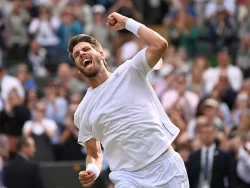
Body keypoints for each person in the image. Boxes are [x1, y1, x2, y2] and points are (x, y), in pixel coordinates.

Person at [68, 12, 189, 188]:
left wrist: (126, 22)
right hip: (127, 178)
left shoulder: (130, 70)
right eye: (77, 55)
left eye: (86, 49)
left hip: (165, 167)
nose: (82, 54)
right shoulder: (82, 112)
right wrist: (92, 170)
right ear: (78, 70)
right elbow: (94, 154)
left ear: (101, 54)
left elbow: (160, 44)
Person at [187, 122, 236, 188]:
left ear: (214, 134)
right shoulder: (193, 156)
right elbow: (190, 178)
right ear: (200, 135)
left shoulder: (224, 156)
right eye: (204, 133)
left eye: (210, 133)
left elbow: (231, 178)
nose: (207, 136)